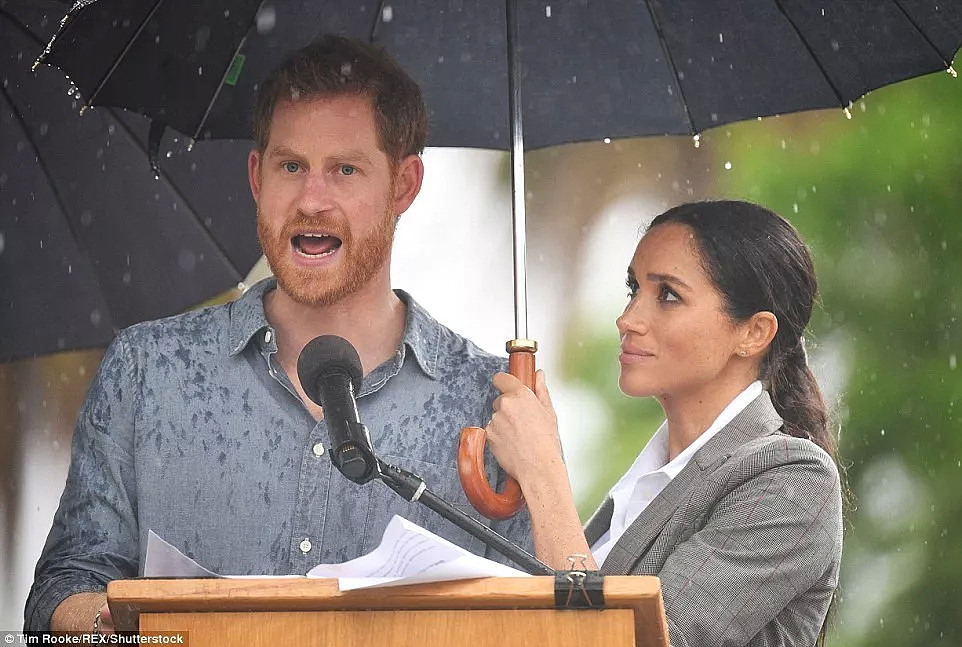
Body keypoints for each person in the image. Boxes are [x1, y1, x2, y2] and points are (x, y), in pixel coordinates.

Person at [25, 36, 530, 633]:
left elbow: (541, 621)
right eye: (291, 166)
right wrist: (95, 622)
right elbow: (63, 583)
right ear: (257, 178)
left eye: (345, 170)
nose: (311, 200)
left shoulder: (490, 401)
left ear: (403, 186)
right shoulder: (147, 370)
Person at [486, 201, 844, 647]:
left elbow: (628, 642)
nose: (628, 319)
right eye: (633, 289)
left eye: (668, 295)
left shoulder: (794, 482)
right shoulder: (647, 484)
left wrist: (544, 476)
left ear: (753, 333)